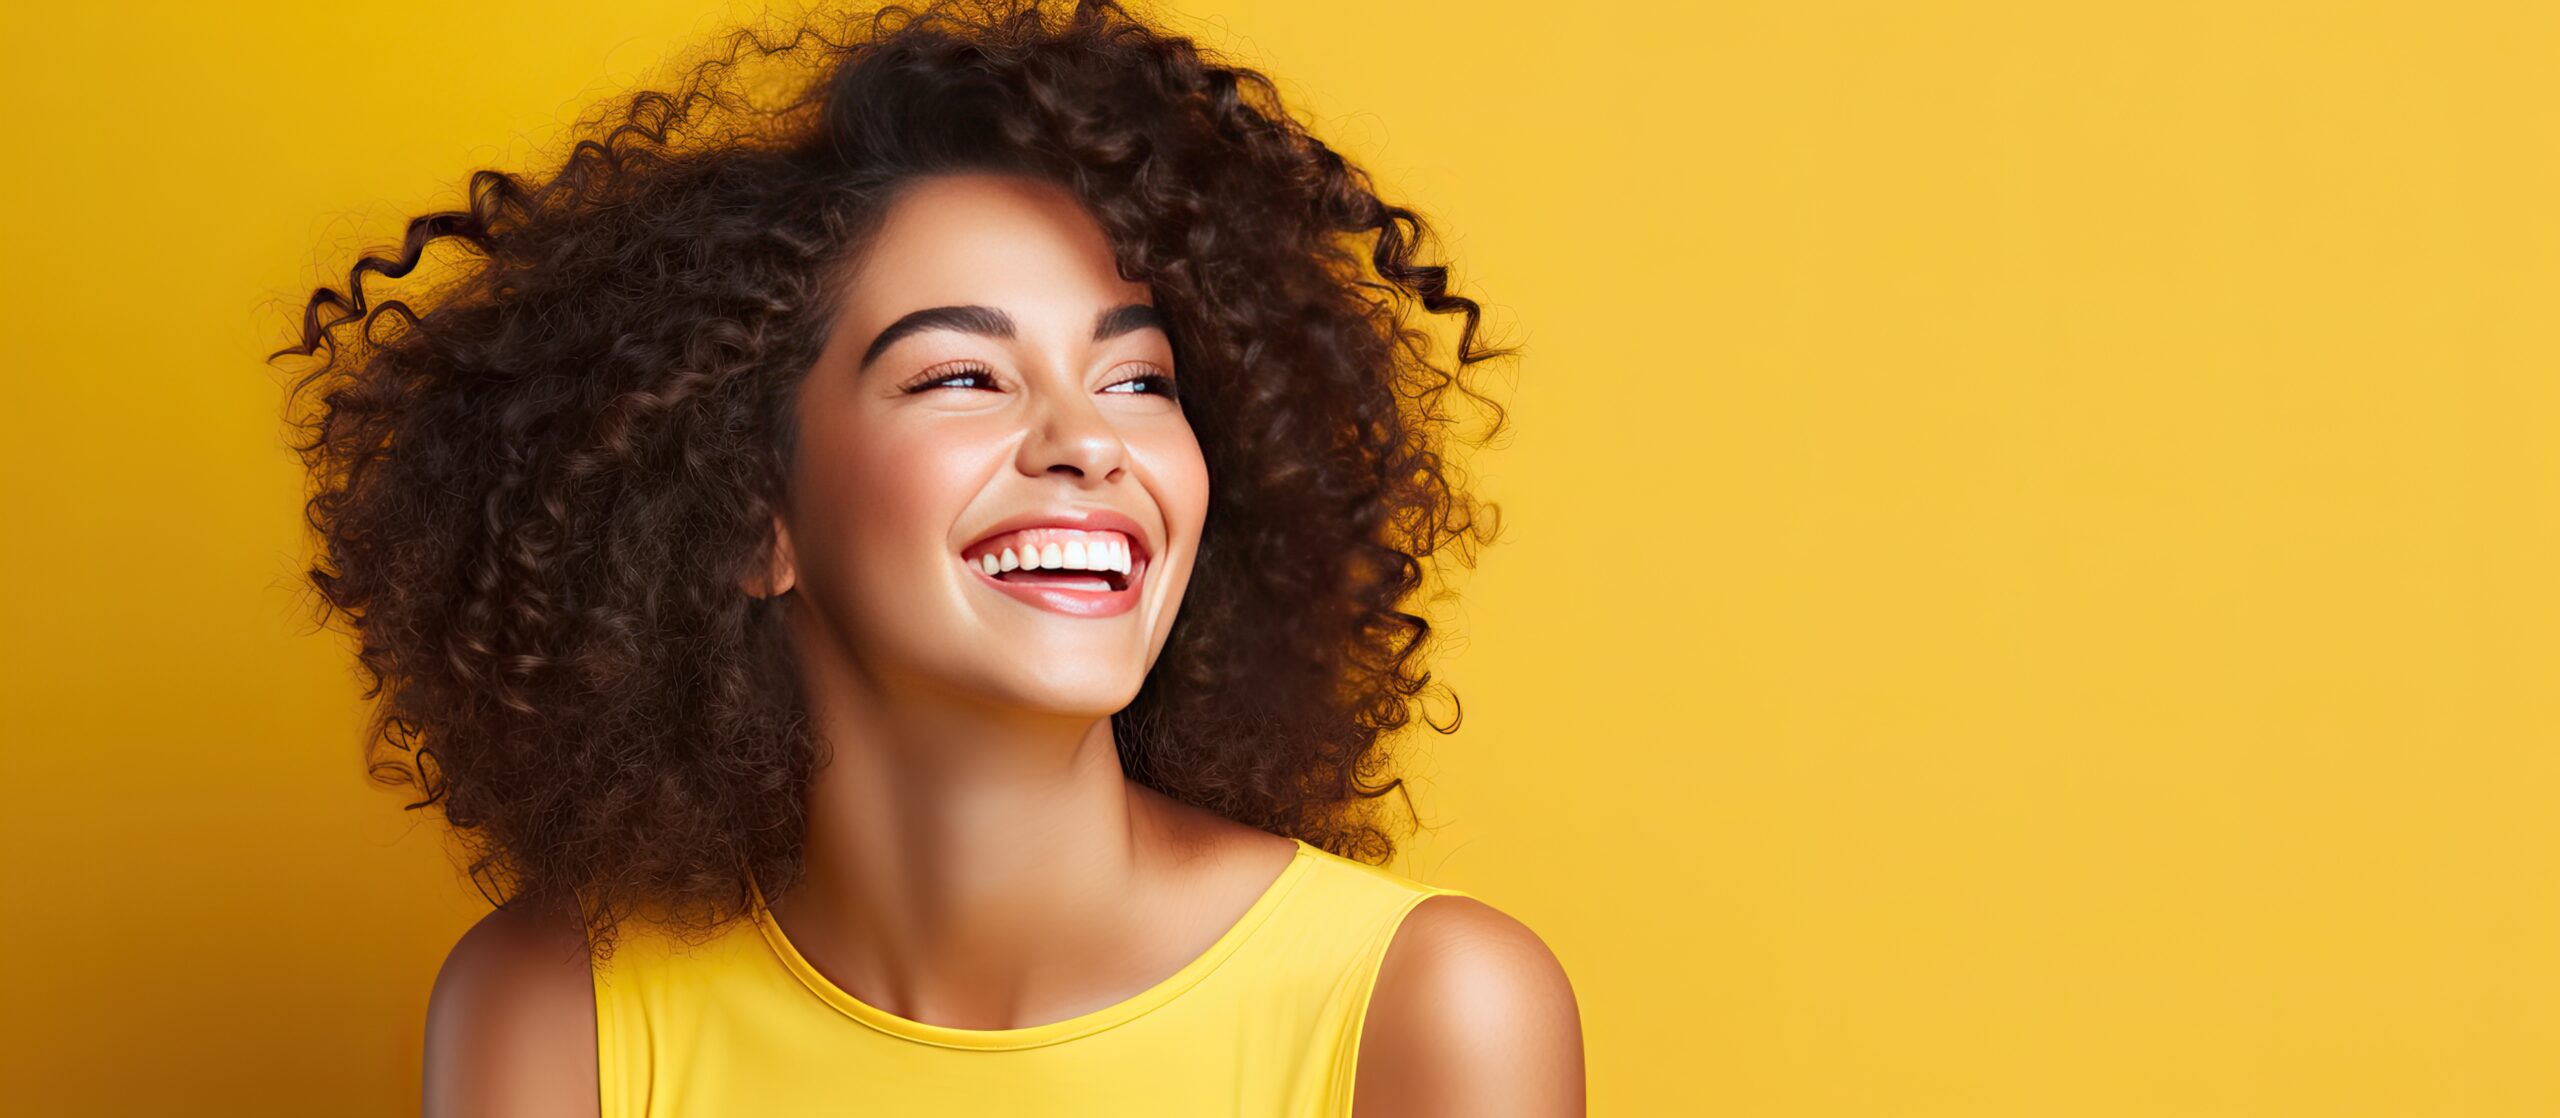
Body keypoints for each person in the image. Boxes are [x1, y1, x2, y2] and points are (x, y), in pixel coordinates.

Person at [277, 0, 1582, 1113]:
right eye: (963, 374)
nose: (1088, 442)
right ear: (751, 514)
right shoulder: (561, 1006)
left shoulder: (1431, 1010)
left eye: (1138, 379)